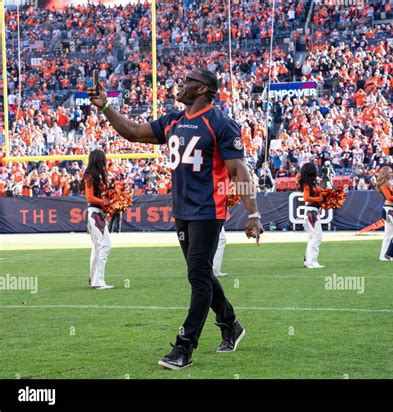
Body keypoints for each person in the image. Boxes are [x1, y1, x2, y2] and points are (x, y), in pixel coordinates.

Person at [88, 67, 263, 370]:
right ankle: (230, 324)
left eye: (188, 82)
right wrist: (105, 106)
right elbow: (131, 132)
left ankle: (185, 346)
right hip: (182, 211)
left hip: (208, 211)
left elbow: (238, 171)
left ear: (203, 90)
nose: (180, 85)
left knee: (197, 276)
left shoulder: (220, 123)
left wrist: (254, 213)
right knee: (202, 274)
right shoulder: (173, 120)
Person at [81, 149, 114, 290]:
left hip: (98, 213)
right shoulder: (89, 176)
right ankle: (98, 281)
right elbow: (89, 198)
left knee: (96, 247)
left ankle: (94, 279)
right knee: (105, 245)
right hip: (94, 213)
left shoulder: (97, 176)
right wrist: (106, 203)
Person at [299, 162, 325, 269]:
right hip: (311, 212)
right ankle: (312, 262)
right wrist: (318, 199)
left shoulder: (313, 182)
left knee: (312, 237)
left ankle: (308, 261)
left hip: (313, 211)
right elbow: (306, 197)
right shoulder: (307, 183)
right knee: (317, 236)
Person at [375, 166, 393, 261]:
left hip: (392, 210)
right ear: (385, 173)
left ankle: (384, 256)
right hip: (389, 210)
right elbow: (389, 197)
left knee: (389, 234)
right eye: (390, 172)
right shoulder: (384, 184)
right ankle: (392, 255)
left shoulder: (391, 184)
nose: (392, 173)